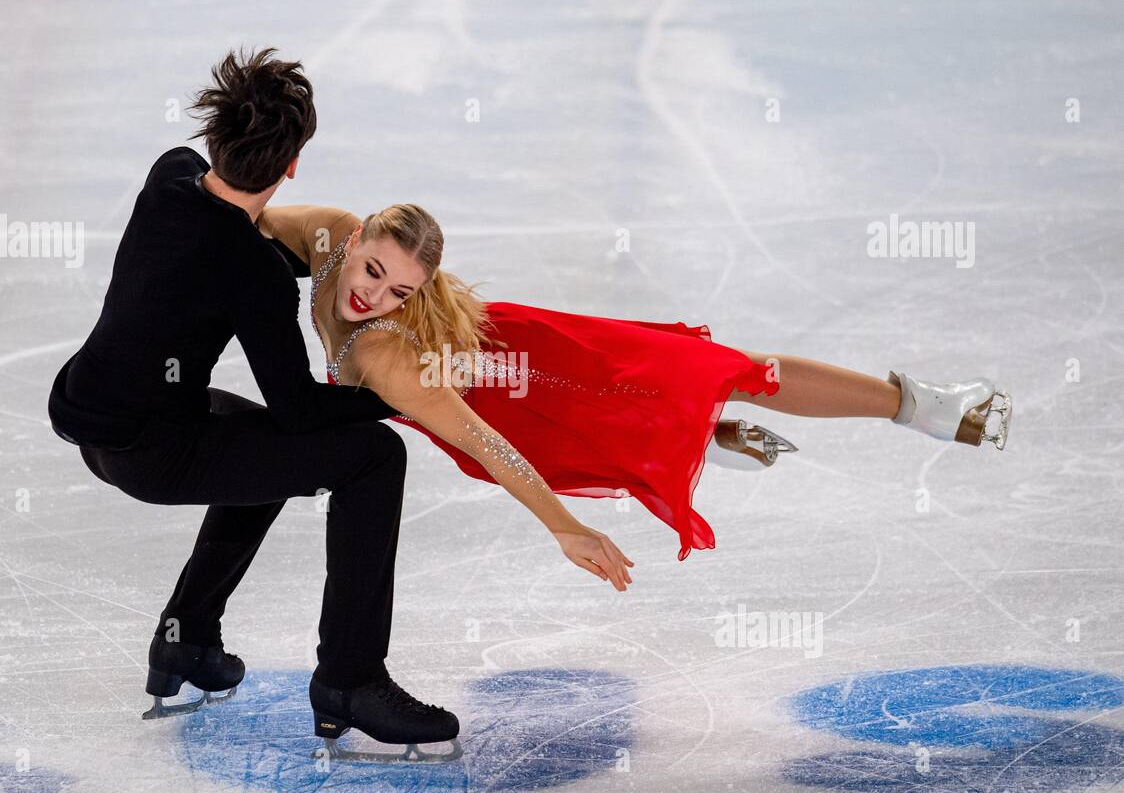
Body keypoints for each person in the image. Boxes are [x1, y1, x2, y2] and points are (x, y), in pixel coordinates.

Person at [46, 48, 460, 759]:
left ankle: (188, 641)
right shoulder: (254, 274)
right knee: (372, 457)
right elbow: (300, 405)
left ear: (213, 136)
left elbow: (230, 251)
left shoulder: (169, 176)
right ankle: (351, 680)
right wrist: (395, 403)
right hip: (156, 453)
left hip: (98, 416)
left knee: (264, 450)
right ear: (293, 162)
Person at [257, 202, 1012, 568]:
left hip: (515, 364)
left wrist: (564, 526)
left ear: (421, 292)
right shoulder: (323, 232)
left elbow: (487, 444)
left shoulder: (389, 356)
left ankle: (931, 407)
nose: (374, 294)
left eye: (399, 290)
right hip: (487, 387)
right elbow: (248, 217)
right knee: (676, 397)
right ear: (352, 241)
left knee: (727, 372)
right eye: (373, 271)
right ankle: (695, 436)